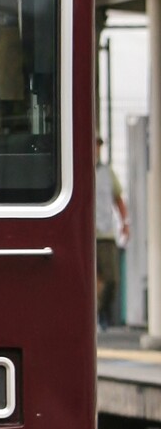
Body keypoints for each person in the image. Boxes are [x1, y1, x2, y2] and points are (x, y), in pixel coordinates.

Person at [95, 137, 129, 330]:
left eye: (98, 145)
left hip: (105, 233)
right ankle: (94, 317)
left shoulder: (108, 173)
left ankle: (100, 312)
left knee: (111, 278)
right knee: (91, 280)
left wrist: (125, 223)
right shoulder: (77, 170)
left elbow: (118, 199)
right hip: (84, 236)